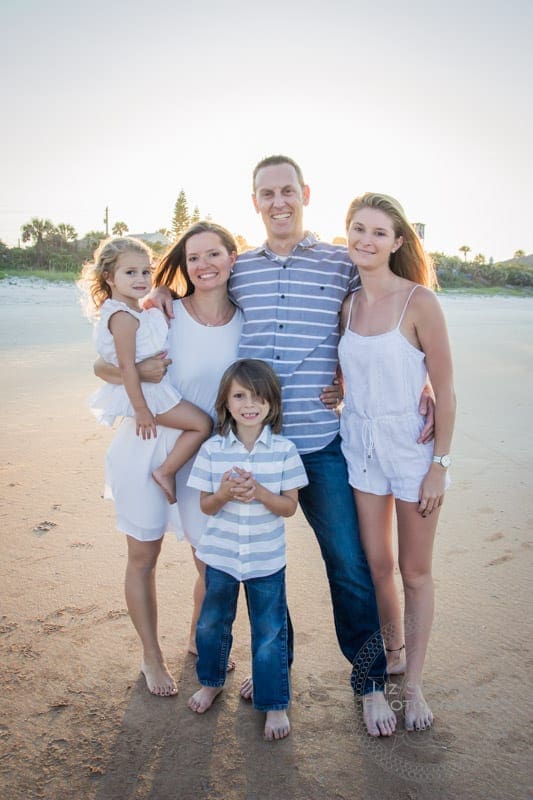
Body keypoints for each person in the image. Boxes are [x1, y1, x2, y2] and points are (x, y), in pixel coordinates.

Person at [153, 155, 435, 736]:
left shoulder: (341, 261)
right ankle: (270, 665)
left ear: (305, 193)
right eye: (266, 193)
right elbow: (187, 284)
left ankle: (370, 684)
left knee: (350, 567)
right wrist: (158, 294)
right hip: (253, 445)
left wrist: (425, 382)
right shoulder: (240, 267)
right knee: (256, 561)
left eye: (287, 190)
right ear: (253, 201)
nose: (278, 201)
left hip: (323, 442)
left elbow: (399, 309)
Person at [92, 225, 243, 694]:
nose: (204, 265)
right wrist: (135, 372)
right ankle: (151, 657)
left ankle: (202, 641)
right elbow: (101, 366)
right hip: (148, 439)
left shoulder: (248, 317)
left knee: (210, 561)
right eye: (194, 257)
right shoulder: (163, 309)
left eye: (213, 254)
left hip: (206, 455)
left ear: (231, 259)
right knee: (144, 554)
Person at [339, 193, 456, 731]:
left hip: (412, 452)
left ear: (398, 242)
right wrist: (335, 390)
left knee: (415, 571)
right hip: (359, 447)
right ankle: (393, 654)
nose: (366, 240)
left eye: (379, 232)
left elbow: (447, 390)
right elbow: (356, 373)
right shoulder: (349, 304)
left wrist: (440, 463)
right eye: (358, 229)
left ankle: (414, 686)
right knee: (377, 566)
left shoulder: (420, 302)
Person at [186, 359, 308, 740]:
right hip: (220, 556)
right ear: (226, 400)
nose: (249, 404)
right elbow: (205, 505)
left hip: (266, 559)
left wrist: (260, 493)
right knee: (211, 623)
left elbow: (289, 507)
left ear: (272, 402)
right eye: (240, 395)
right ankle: (212, 680)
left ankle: (274, 704)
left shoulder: (285, 450)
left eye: (257, 396)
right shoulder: (212, 450)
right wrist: (224, 492)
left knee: (269, 632)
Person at [80, 236, 212, 505]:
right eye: (130, 272)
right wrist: (142, 411)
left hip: (149, 389)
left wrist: (162, 289)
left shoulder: (133, 310)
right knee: (202, 425)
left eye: (145, 272)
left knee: (201, 424)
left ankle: (166, 470)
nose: (140, 279)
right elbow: (127, 367)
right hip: (147, 394)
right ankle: (166, 471)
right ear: (109, 277)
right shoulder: (123, 317)